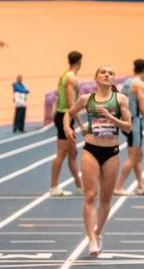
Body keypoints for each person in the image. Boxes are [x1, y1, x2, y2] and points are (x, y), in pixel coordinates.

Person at [63, 66, 132, 257]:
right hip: (91, 150)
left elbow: (128, 127)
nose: (107, 75)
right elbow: (68, 113)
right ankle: (91, 238)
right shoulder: (87, 99)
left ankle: (99, 233)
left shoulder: (120, 99)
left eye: (111, 73)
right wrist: (68, 128)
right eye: (103, 72)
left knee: (106, 198)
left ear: (113, 79)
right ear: (95, 77)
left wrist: (111, 117)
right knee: (90, 196)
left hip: (111, 151)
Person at [114, 59, 144, 196]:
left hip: (125, 120)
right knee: (133, 156)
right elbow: (142, 106)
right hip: (135, 122)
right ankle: (118, 187)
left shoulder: (126, 83)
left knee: (138, 155)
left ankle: (140, 186)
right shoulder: (139, 84)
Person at [50, 51, 85, 197]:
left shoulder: (64, 76)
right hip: (65, 116)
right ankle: (54, 187)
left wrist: (55, 113)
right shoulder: (71, 78)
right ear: (79, 62)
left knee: (73, 152)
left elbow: (58, 97)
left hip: (62, 115)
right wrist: (81, 124)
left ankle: (79, 186)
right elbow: (72, 104)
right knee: (62, 153)